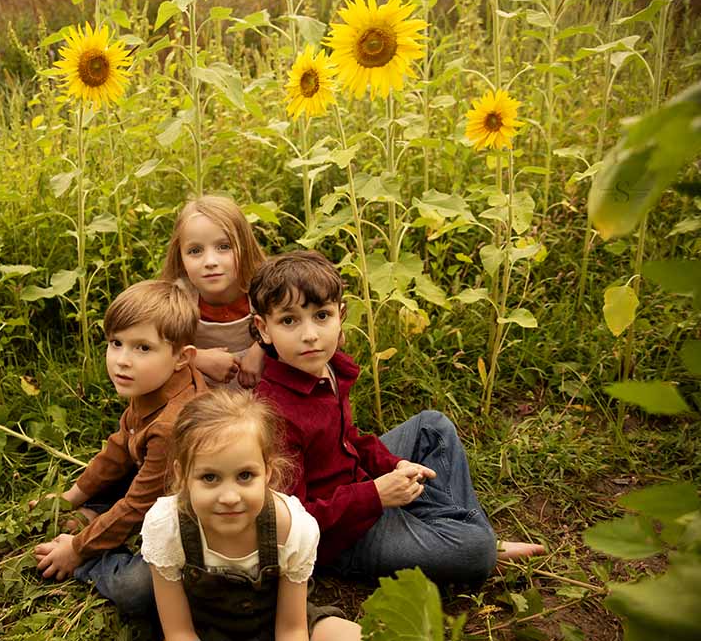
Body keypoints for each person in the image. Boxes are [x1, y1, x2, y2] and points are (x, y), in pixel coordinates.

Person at [250, 251, 545, 588]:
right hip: (341, 537)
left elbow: (349, 441)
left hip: (357, 484)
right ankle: (473, 545)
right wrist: (375, 495)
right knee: (474, 552)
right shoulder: (274, 413)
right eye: (289, 320)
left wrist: (393, 464)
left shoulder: (325, 368)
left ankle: (453, 532)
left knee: (432, 427)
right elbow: (292, 519)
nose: (310, 334)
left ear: (340, 315)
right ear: (264, 328)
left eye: (321, 316)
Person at [33, 280, 207, 616]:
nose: (122, 361)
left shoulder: (171, 425)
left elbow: (138, 505)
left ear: (182, 358)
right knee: (122, 465)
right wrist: (71, 496)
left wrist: (78, 551)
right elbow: (119, 445)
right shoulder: (155, 383)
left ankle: (95, 556)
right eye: (116, 343)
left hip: (193, 522)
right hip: (159, 489)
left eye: (143, 348)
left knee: (136, 589)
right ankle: (95, 517)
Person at [141, 389, 361, 641]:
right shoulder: (167, 526)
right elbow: (179, 632)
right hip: (205, 632)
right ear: (182, 475)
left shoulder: (290, 527)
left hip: (276, 624)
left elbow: (291, 629)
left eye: (245, 476)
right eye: (209, 477)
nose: (230, 497)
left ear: (267, 471)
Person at [161, 195, 266, 389]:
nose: (210, 261)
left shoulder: (265, 289)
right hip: (200, 404)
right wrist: (197, 359)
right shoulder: (178, 298)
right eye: (195, 251)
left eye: (224, 247)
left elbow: (300, 330)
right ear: (180, 256)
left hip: (266, 399)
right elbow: (149, 350)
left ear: (245, 246)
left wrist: (263, 348)